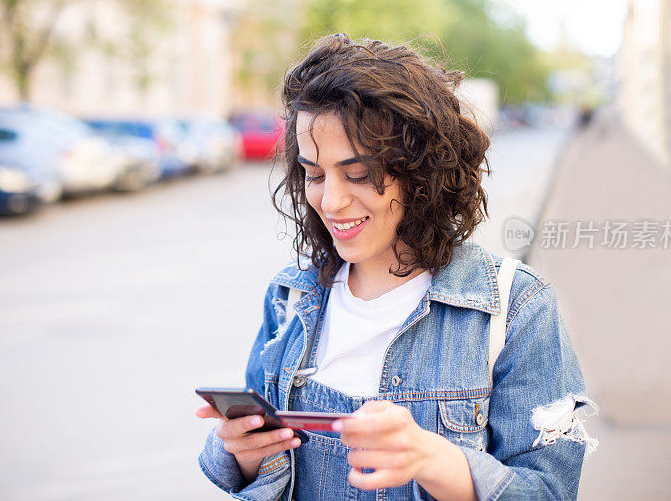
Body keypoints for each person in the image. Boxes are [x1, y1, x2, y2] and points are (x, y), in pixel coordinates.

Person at [196, 34, 598, 501]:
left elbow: (548, 491)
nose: (331, 200)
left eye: (360, 174)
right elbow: (267, 472)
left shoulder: (516, 308)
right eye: (315, 173)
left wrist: (433, 460)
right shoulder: (290, 298)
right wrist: (247, 456)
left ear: (422, 171)